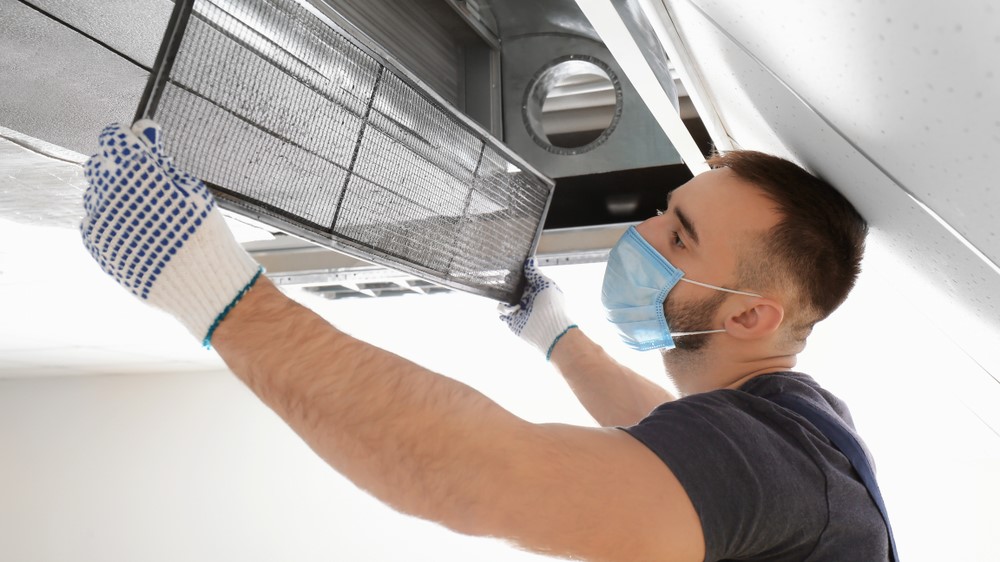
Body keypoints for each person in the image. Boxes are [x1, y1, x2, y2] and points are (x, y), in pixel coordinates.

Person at [81, 120, 889, 561]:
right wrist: (555, 335)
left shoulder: (785, 463)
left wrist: (219, 295)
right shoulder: (796, 436)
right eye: (664, 209)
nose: (642, 232)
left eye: (678, 237)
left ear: (750, 316)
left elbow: (477, 474)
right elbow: (663, 446)